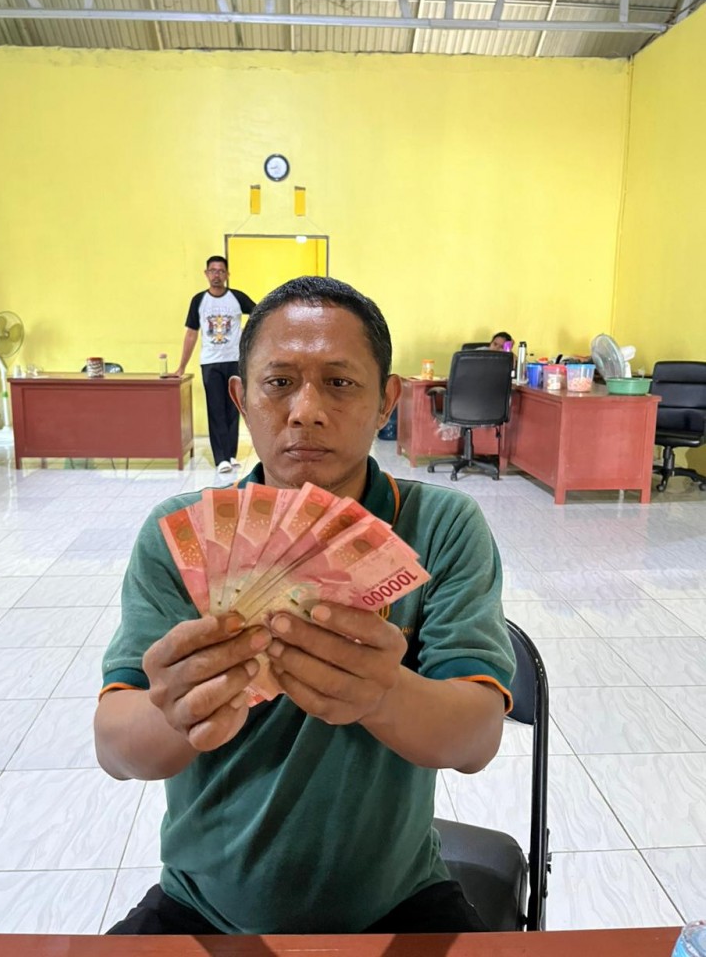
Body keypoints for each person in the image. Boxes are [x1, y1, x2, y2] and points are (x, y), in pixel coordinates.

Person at [95, 276, 516, 936]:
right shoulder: (180, 537)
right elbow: (115, 746)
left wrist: (381, 693)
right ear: (241, 398)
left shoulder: (440, 527)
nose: (306, 411)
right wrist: (175, 711)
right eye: (279, 382)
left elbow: (476, 738)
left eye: (340, 383)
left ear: (387, 400)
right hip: (199, 905)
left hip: (398, 899)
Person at [174, 255, 255, 473]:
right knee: (216, 408)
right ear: (206, 274)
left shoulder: (237, 298)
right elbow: (191, 334)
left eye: (221, 271)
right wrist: (181, 366)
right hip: (211, 363)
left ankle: (231, 454)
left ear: (227, 274)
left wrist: (246, 333)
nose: (216, 275)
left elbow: (258, 313)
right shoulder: (199, 301)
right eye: (213, 271)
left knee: (234, 408)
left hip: (235, 360)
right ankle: (221, 459)